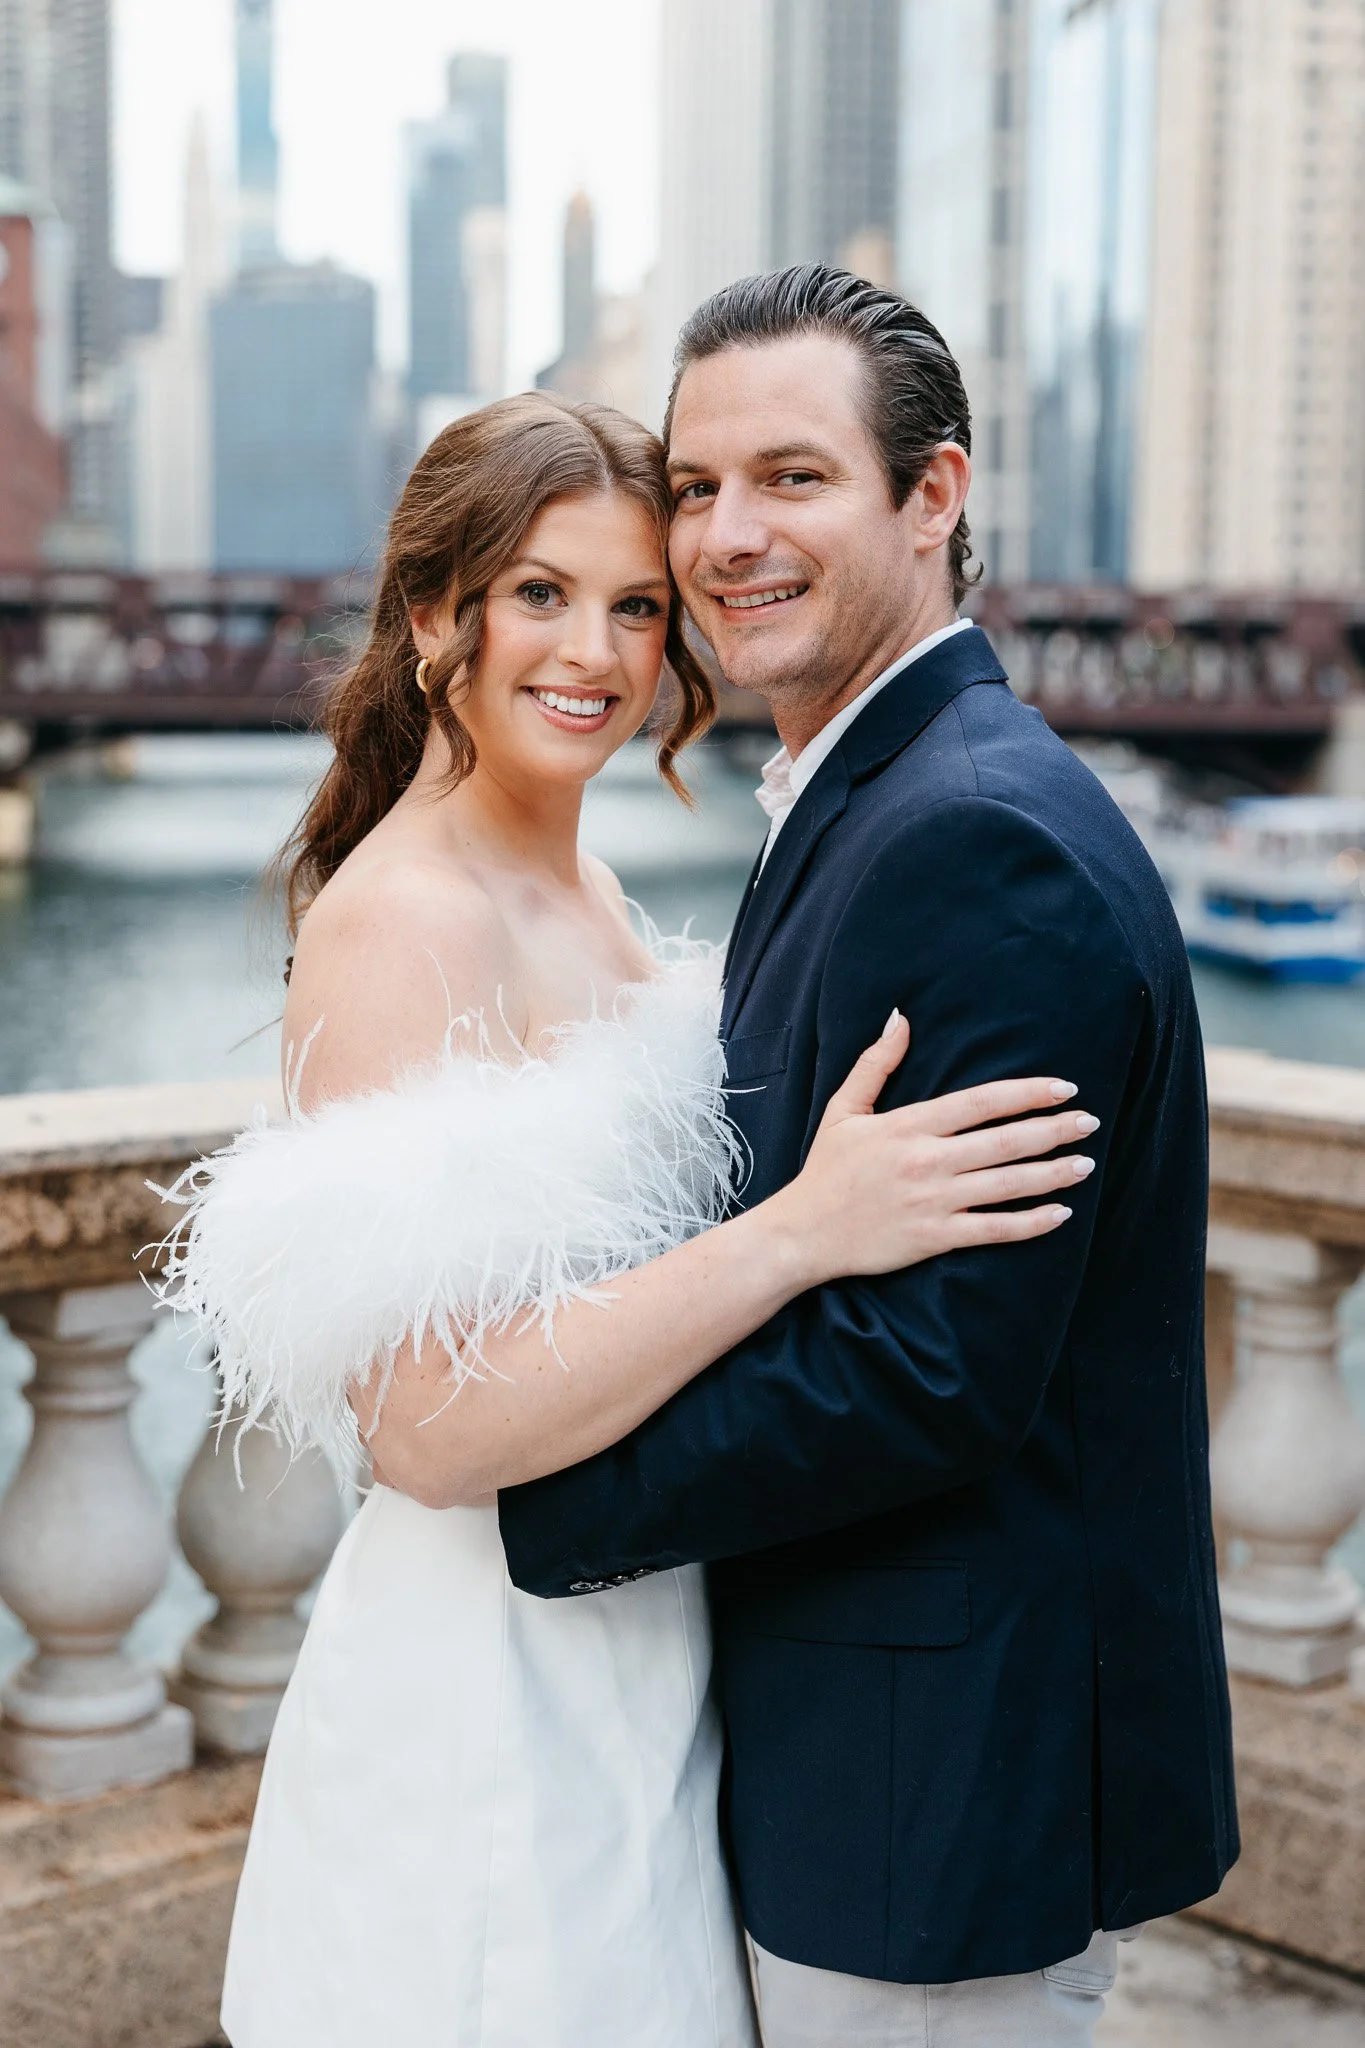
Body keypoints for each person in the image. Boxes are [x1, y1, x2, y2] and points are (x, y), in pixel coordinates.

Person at [159, 388, 1094, 2048]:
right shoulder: (403, 922)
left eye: (635, 604)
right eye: (538, 593)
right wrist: (802, 1232)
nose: (593, 650)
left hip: (647, 1658)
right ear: (435, 614)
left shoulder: (580, 883)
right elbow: (430, 1432)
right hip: (487, 1692)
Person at [498, 267, 1240, 2047]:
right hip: (891, 1750)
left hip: (935, 1787)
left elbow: (929, 1369)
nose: (725, 537)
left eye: (793, 477)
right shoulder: (881, 793)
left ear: (933, 496)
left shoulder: (975, 840)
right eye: (694, 488)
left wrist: (542, 1490)